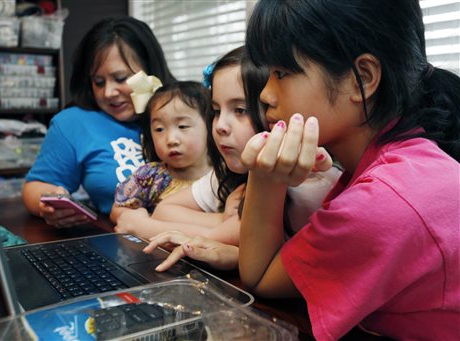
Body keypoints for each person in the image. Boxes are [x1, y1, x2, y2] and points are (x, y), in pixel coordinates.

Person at [237, 1, 460, 340]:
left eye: (282, 72)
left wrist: (266, 176)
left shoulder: (383, 202)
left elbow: (260, 277)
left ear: (363, 79)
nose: (265, 94)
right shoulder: (404, 165)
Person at [116, 46, 341, 245]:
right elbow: (164, 210)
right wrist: (221, 219)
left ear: (274, 112)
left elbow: (226, 239)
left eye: (240, 110)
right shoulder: (225, 175)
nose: (220, 125)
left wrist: (141, 227)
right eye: (216, 111)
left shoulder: (308, 183)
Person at [22, 17, 175, 228]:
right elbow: (35, 186)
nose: (109, 93)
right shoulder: (74, 123)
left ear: (150, 71)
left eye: (121, 78)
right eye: (99, 82)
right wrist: (47, 202)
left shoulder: (187, 108)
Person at [109, 81, 212, 224]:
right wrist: (143, 221)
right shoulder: (150, 176)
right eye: (159, 129)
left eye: (183, 126)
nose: (171, 140)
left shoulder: (224, 175)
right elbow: (117, 210)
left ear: (210, 125)